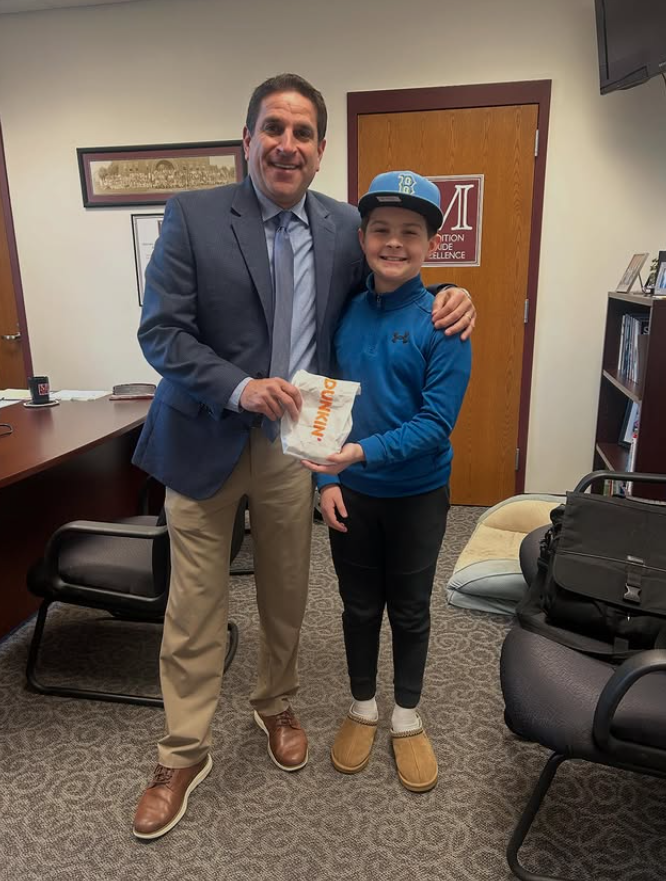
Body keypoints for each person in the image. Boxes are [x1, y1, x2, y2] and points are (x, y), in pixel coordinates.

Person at [131, 74, 476, 840]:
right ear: (247, 139)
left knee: (287, 590)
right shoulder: (192, 215)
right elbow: (160, 332)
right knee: (195, 604)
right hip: (204, 435)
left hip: (296, 448)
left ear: (320, 151)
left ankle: (275, 702)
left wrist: (455, 293)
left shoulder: (343, 226)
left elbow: (394, 276)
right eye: (273, 128)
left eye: (303, 133)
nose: (287, 144)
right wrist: (240, 386)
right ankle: (182, 750)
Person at [302, 171, 472, 793]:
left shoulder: (444, 322)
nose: (393, 242)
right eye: (380, 230)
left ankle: (405, 715)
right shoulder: (343, 312)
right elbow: (324, 403)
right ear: (363, 239)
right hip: (350, 492)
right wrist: (326, 482)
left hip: (417, 495)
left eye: (409, 232)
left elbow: (435, 423)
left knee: (409, 608)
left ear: (431, 244)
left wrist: (358, 455)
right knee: (357, 606)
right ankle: (363, 707)